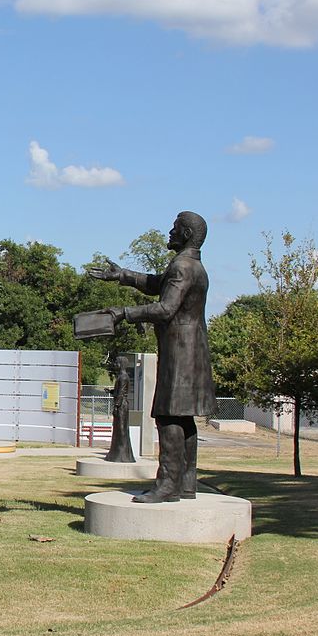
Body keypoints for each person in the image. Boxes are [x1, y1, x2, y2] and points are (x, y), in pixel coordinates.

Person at [88, 211, 217, 503]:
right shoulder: (193, 266)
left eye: (174, 229)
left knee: (169, 414)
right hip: (193, 349)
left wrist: (124, 313)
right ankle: (186, 483)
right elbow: (159, 283)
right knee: (183, 417)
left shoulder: (182, 266)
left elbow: (165, 308)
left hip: (180, 352)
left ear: (185, 234)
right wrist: (122, 275)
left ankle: (168, 485)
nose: (169, 233)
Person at [103, 355, 135, 463]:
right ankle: (116, 453)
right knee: (118, 430)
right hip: (121, 404)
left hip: (122, 406)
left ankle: (122, 455)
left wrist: (116, 407)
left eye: (117, 363)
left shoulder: (123, 377)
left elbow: (121, 394)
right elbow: (119, 392)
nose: (115, 365)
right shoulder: (121, 377)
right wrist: (111, 391)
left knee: (121, 430)